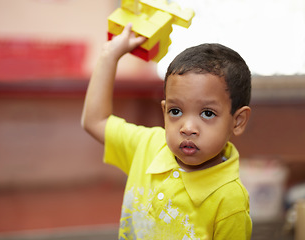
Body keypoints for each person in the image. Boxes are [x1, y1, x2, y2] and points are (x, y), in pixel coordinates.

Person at [81, 23, 252, 240]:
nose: (187, 128)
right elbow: (95, 121)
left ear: (237, 121)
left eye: (207, 113)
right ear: (164, 111)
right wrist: (109, 55)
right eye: (176, 111)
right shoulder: (149, 146)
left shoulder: (230, 200)